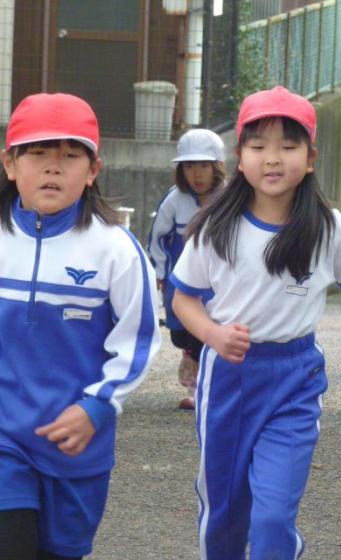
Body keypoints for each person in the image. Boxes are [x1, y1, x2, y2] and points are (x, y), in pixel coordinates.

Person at [170, 86, 341, 559]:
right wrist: (213, 334)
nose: (273, 158)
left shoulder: (329, 228)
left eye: (288, 146)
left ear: (310, 158)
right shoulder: (216, 226)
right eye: (258, 146)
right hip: (229, 379)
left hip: (295, 379)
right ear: (240, 159)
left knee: (274, 515)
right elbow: (183, 300)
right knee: (225, 510)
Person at [0, 92, 161, 560]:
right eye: (38, 153)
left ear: (93, 170)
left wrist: (98, 406)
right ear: (9, 165)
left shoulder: (116, 250)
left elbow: (138, 341)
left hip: (76, 446)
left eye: (70, 156)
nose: (53, 167)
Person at [147, 128, 225, 410]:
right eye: (189, 166)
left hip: (217, 280)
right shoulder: (174, 199)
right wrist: (159, 273)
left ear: (217, 166)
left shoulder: (230, 197)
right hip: (180, 279)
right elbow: (157, 238)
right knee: (181, 333)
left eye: (204, 165)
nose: (197, 174)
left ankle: (201, 389)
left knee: (211, 330)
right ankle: (190, 357)